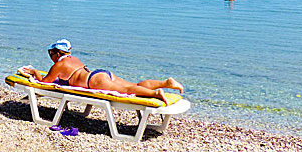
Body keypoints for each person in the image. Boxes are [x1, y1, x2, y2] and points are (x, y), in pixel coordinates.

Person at [22, 39, 183, 104]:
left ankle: (156, 94)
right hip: (100, 74)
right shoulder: (74, 59)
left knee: (129, 91)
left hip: (94, 82)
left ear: (57, 53)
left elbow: (44, 83)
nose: (51, 57)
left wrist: (35, 72)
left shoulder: (59, 64)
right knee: (132, 86)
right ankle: (165, 83)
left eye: (51, 54)